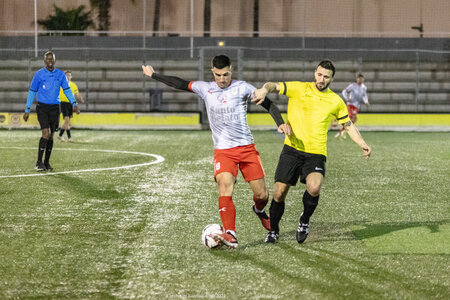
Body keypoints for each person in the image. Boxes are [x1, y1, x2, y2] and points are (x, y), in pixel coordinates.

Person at [142, 55, 291, 248]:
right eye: (218, 75)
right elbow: (180, 83)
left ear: (231, 70)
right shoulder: (206, 88)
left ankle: (259, 210)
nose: (222, 79)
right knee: (225, 184)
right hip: (223, 151)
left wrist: (280, 123)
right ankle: (230, 233)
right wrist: (154, 75)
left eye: (226, 74)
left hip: (246, 148)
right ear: (213, 71)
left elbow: (269, 104)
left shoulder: (242, 88)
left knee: (262, 195)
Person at [252, 60, 371, 244]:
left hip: (316, 152)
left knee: (314, 188)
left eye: (326, 77)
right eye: (319, 74)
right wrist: (264, 90)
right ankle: (273, 230)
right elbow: (273, 86)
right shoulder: (299, 88)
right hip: (292, 149)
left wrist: (362, 143)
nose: (321, 79)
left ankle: (304, 220)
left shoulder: (335, 101)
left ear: (332, 78)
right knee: (279, 193)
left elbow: (347, 125)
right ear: (315, 72)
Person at [23, 51, 80, 171]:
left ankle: (46, 163)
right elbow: (32, 91)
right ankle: (38, 162)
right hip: (42, 107)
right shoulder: (39, 74)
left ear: (55, 60)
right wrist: (27, 109)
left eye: (52, 59)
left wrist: (74, 103)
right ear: (44, 61)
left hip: (55, 108)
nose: (50, 61)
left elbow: (67, 90)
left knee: (52, 135)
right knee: (45, 133)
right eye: (48, 59)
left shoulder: (60, 75)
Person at [335, 73, 370, 139]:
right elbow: (344, 91)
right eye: (359, 79)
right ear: (357, 79)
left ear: (363, 80)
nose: (360, 80)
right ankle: (344, 130)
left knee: (350, 120)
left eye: (361, 79)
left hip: (357, 106)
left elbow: (364, 95)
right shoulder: (353, 86)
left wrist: (366, 101)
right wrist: (346, 98)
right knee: (354, 118)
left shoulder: (364, 88)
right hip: (350, 104)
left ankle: (341, 131)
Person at [58, 70, 85, 142]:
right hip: (63, 103)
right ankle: (69, 138)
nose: (68, 76)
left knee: (67, 122)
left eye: (69, 75)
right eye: (66, 75)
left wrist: (81, 99)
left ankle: (60, 135)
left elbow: (77, 94)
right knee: (67, 121)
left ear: (71, 76)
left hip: (70, 104)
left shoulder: (73, 85)